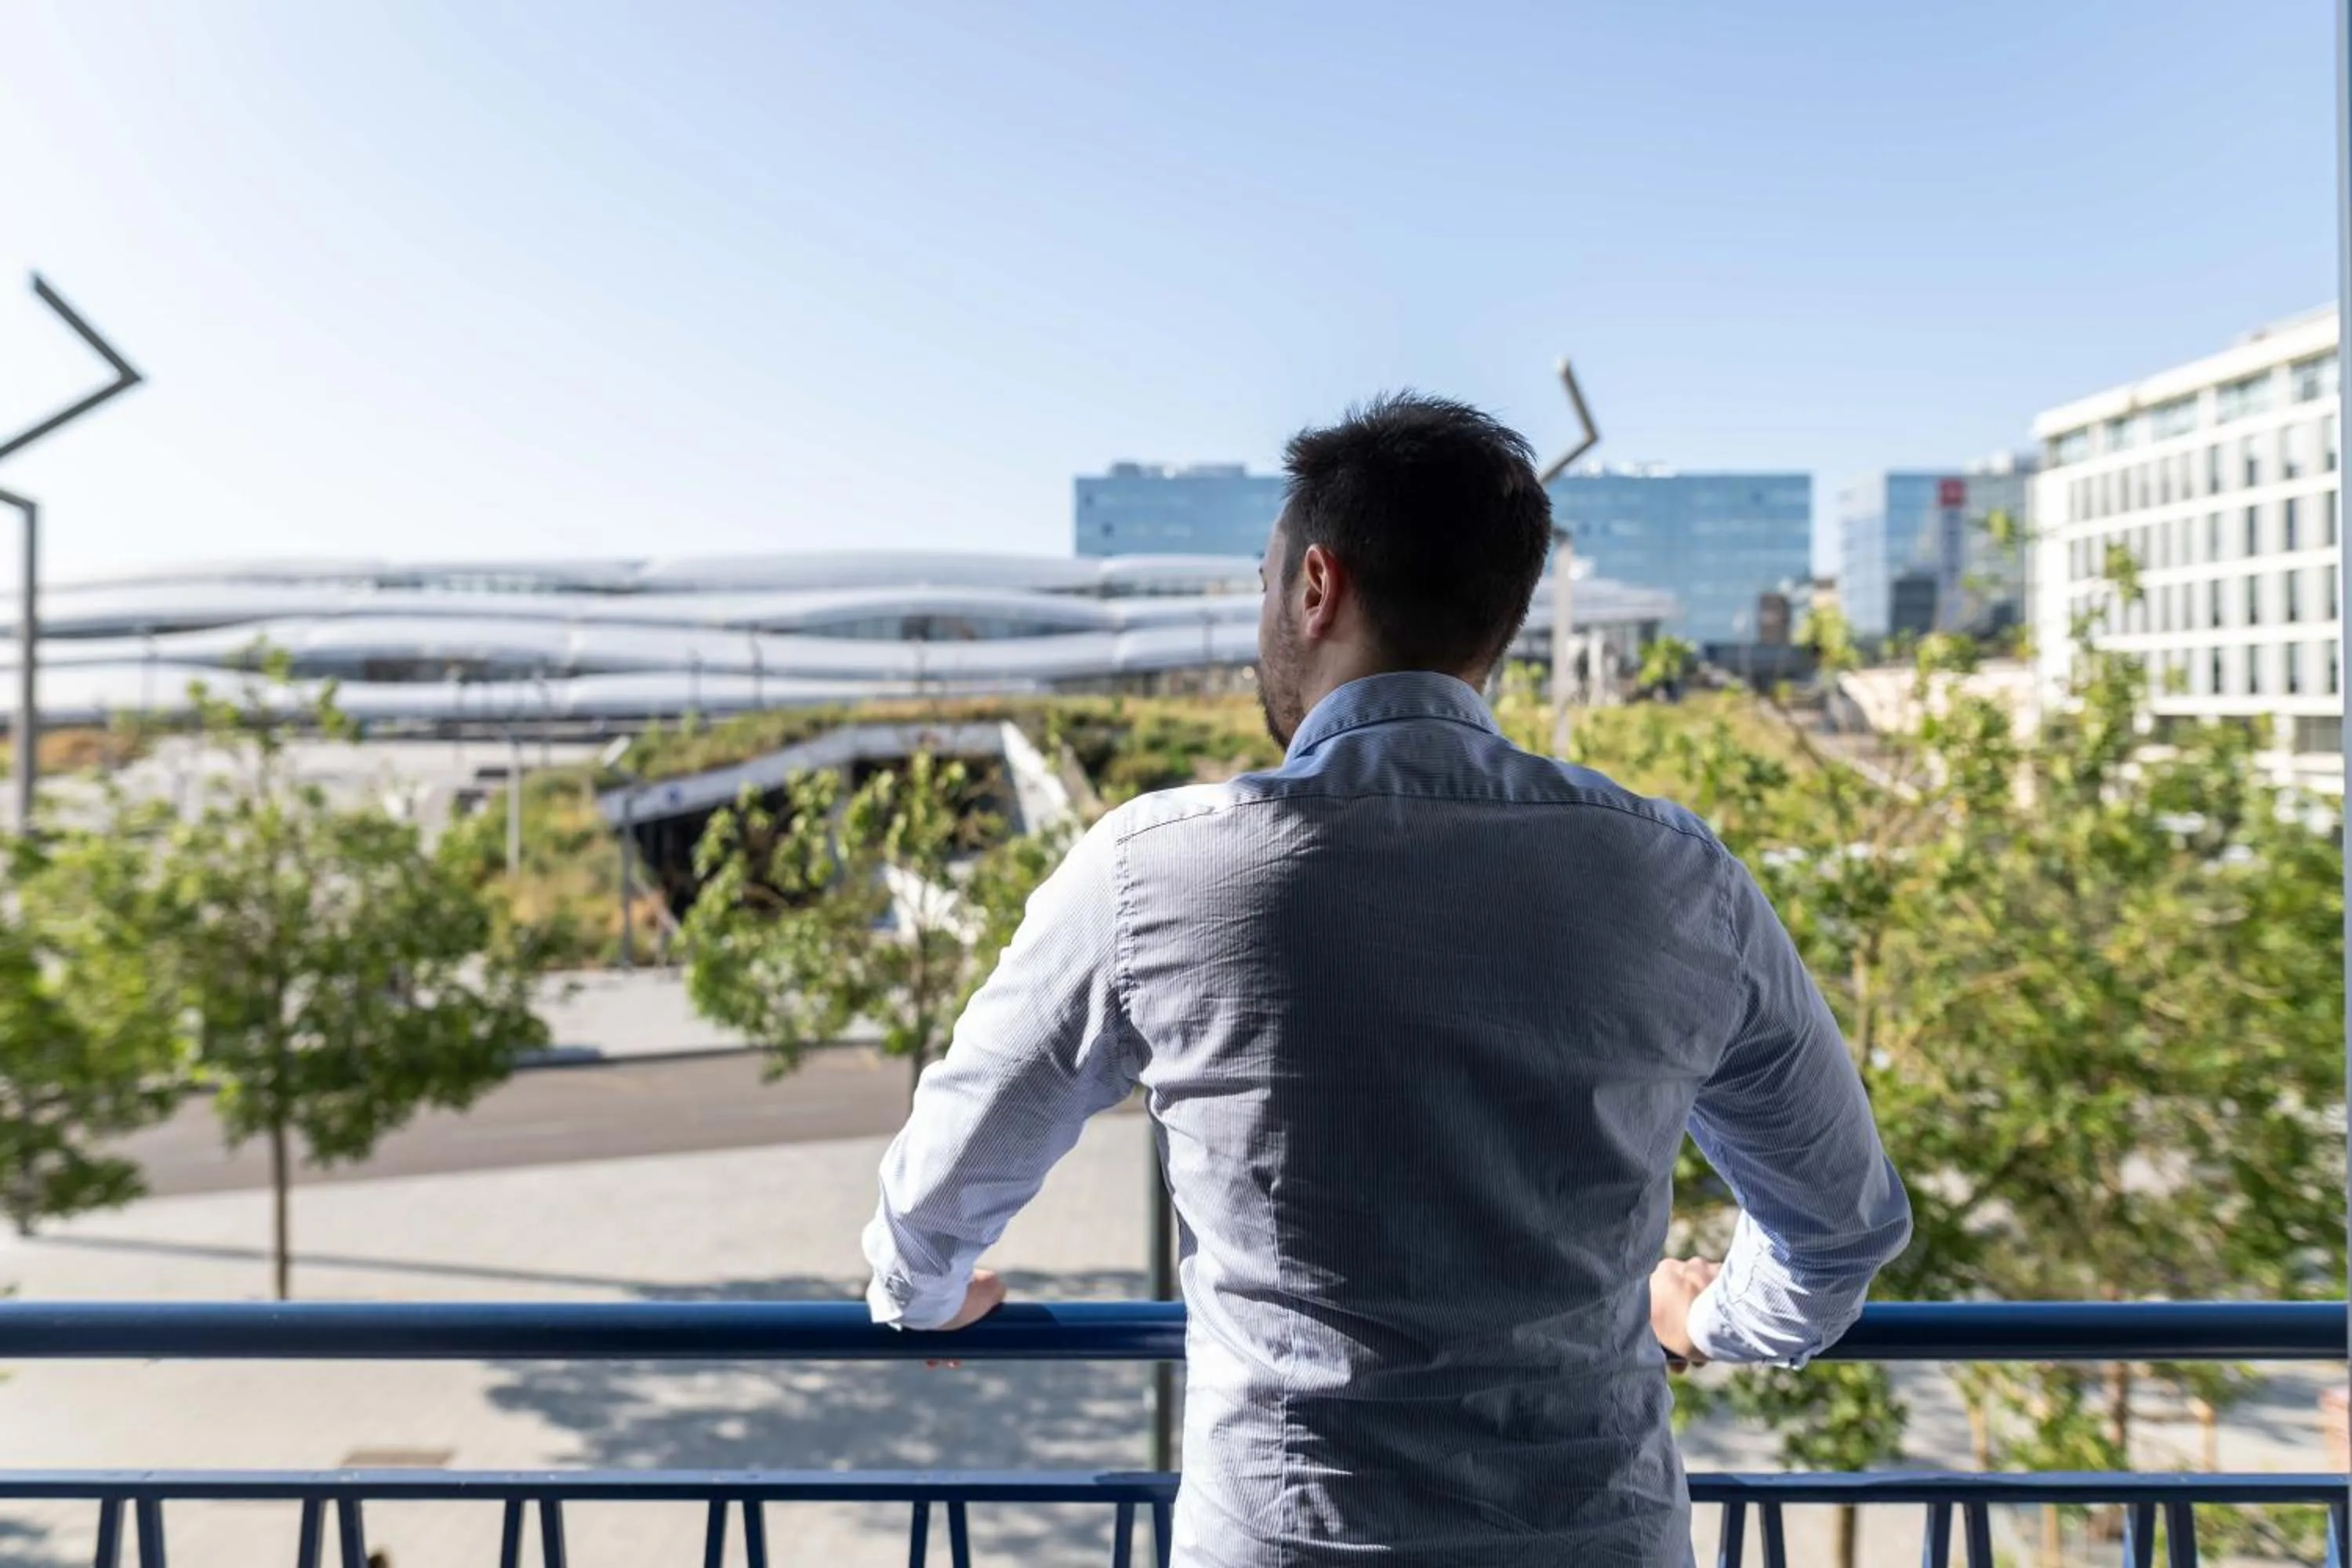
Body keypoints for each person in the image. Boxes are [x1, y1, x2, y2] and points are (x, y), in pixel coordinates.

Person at [862, 392, 1911, 1566]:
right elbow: (1839, 1230)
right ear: (1502, 619)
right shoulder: (1677, 878)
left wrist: (928, 1292)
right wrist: (1708, 1317)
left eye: (1265, 588)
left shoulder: (1154, 870)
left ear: (1316, 586)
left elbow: (944, 1179)